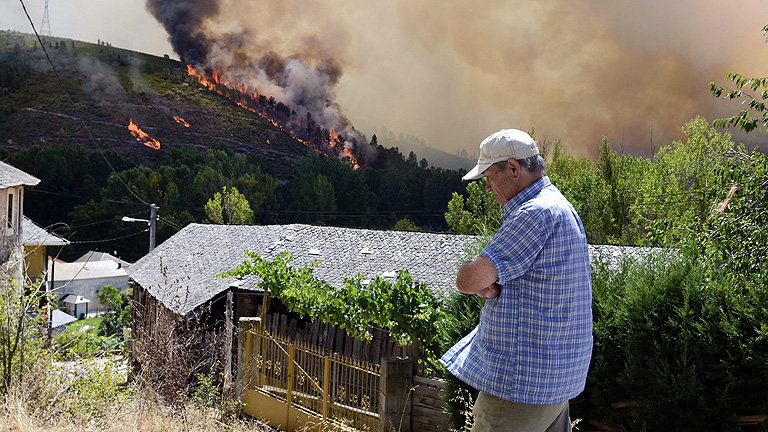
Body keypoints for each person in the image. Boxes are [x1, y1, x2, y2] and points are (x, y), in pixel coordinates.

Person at [440, 129, 593, 432]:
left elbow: (467, 280)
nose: (487, 187)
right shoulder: (560, 207)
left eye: (489, 176)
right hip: (553, 382)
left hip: (519, 386)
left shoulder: (533, 213)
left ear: (512, 168)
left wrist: (478, 277)